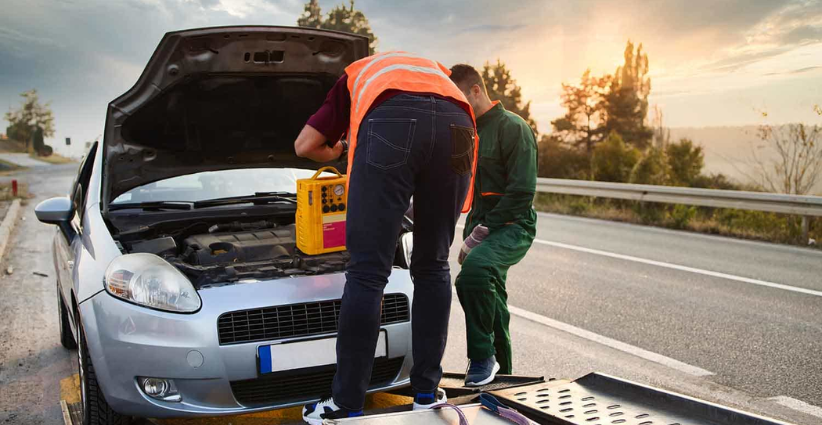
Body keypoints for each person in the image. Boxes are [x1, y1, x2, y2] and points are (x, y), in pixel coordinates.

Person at [294, 52, 478, 424]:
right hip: (458, 125)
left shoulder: (356, 75)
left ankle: (345, 406)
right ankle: (426, 393)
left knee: (367, 273)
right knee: (433, 264)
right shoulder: (435, 73)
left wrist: (343, 147)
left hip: (391, 123)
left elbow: (305, 145)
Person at [448, 64, 537, 386]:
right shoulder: (465, 132)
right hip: (479, 224)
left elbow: (522, 193)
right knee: (492, 297)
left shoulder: (513, 128)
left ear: (475, 90)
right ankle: (507, 378)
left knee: (472, 277)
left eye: (457, 96)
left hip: (513, 224)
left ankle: (482, 355)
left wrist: (481, 233)